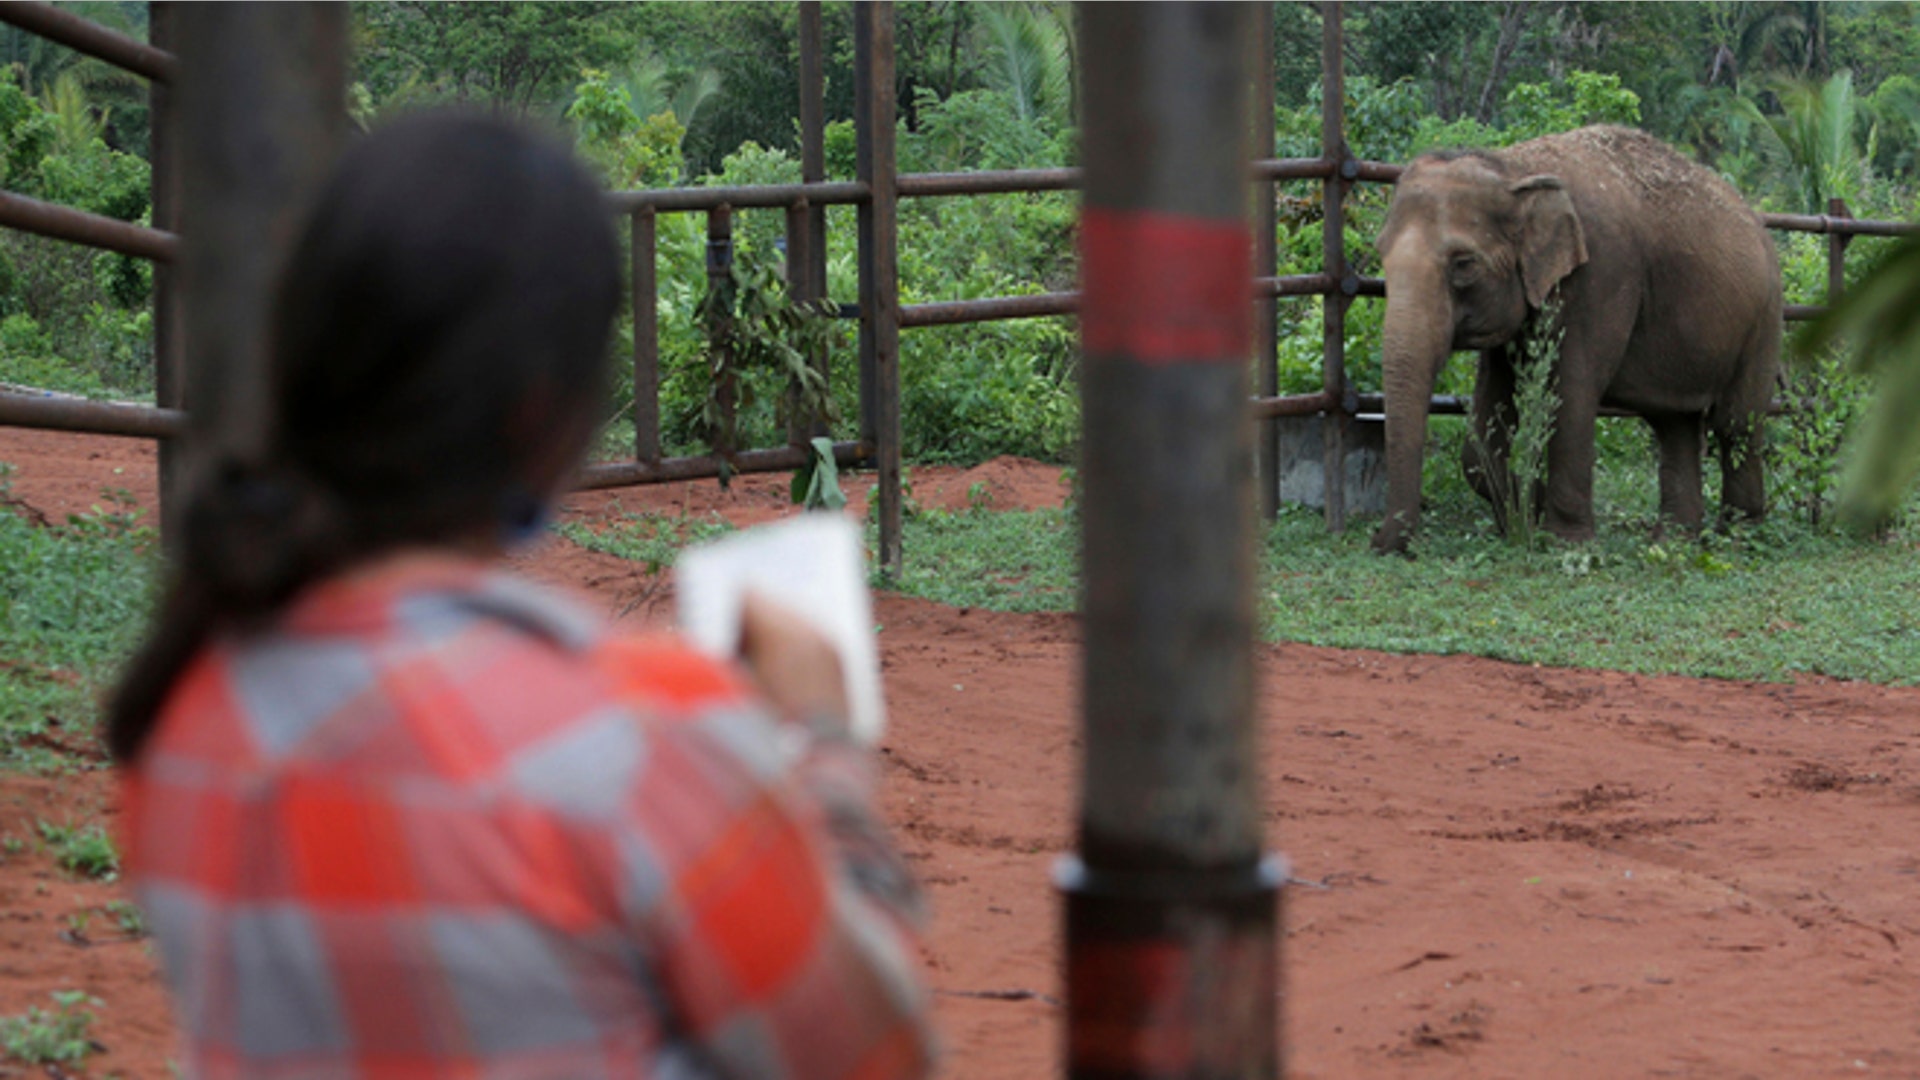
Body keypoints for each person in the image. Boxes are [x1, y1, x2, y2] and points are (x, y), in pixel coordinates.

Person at [111, 113, 933, 1079]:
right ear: (542, 412)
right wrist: (824, 749)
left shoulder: (183, 719)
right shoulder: (645, 731)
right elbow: (871, 1056)